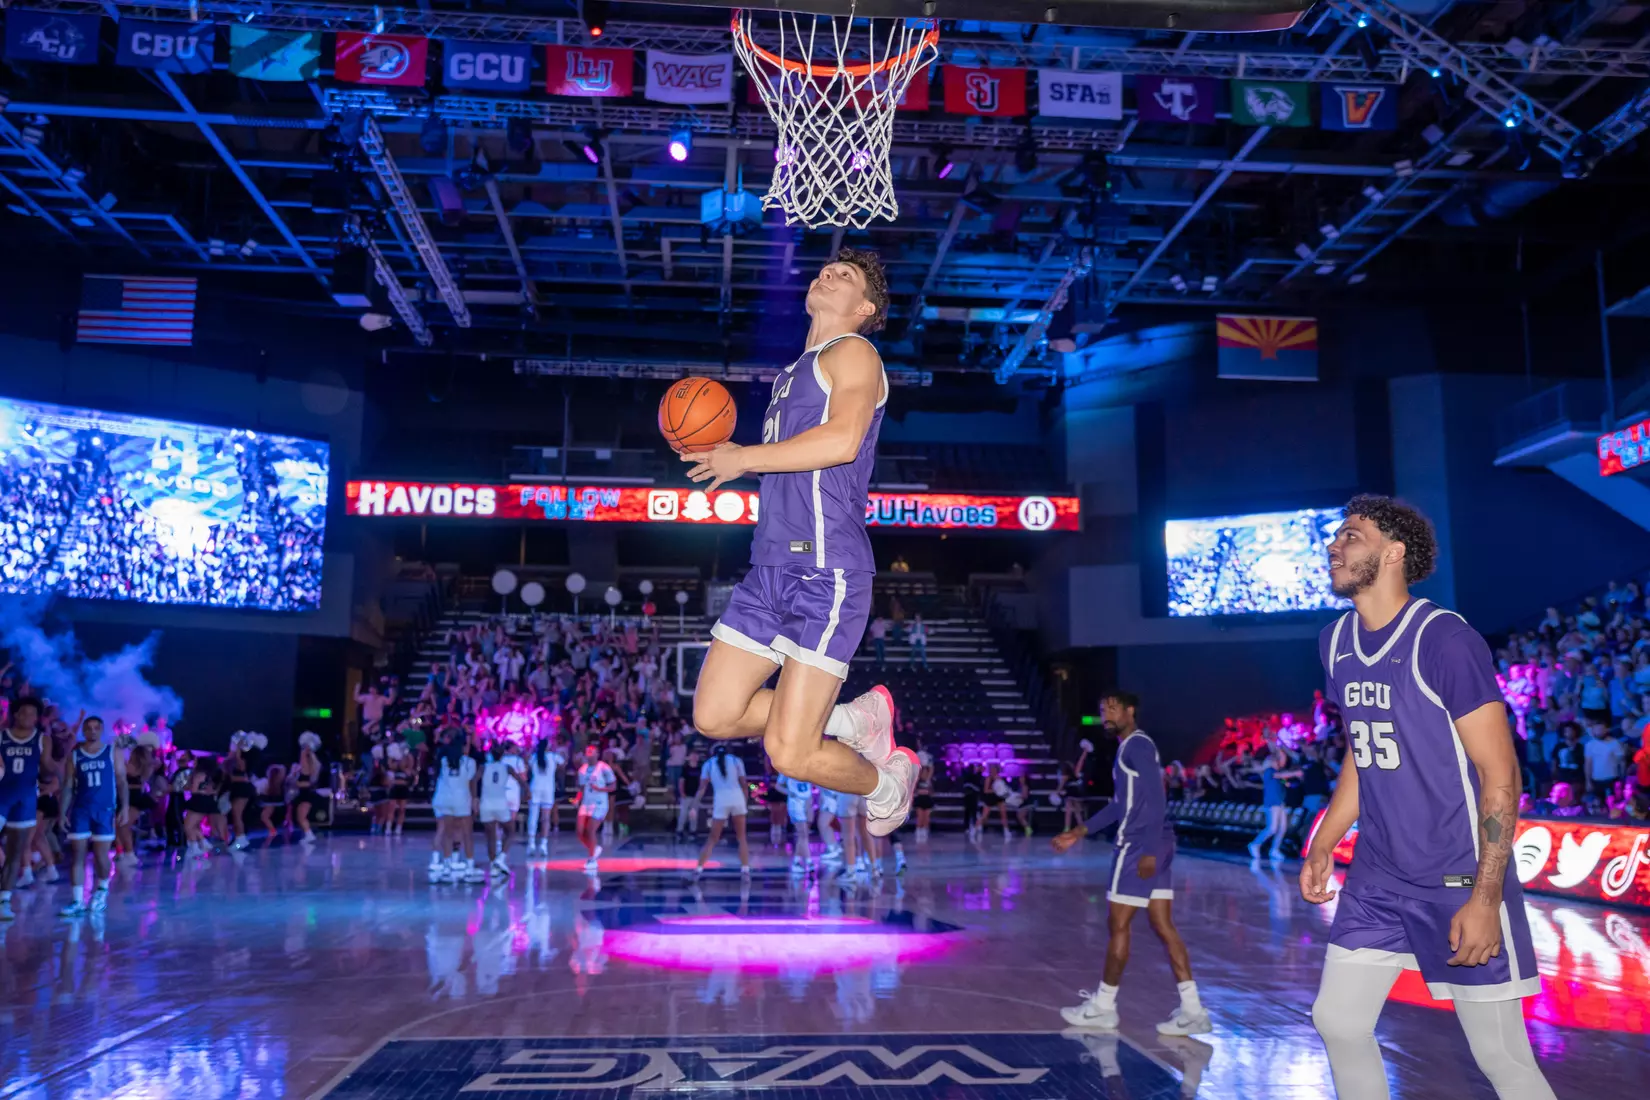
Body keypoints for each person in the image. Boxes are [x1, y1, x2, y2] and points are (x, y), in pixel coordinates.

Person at [1302, 495, 1554, 1100]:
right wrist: (1325, 841)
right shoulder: (1335, 642)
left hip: (1455, 877)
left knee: (1501, 1056)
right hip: (1377, 877)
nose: (1335, 545)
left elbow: (1499, 773)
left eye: (1352, 536)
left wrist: (1485, 897)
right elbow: (1364, 754)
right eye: (1336, 536)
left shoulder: (1443, 639)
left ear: (1393, 553)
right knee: (1337, 1021)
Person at [682, 249, 917, 839]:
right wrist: (736, 455)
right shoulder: (793, 373)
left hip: (826, 569)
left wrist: (744, 459)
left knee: (790, 752)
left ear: (865, 309)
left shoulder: (854, 352)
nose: (827, 274)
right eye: (826, 269)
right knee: (714, 715)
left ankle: (889, 784)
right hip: (767, 570)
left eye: (846, 276)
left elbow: (842, 441)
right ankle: (854, 720)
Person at [1053, 691, 1208, 1037]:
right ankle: (1193, 1010)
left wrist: (1148, 850)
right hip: (1157, 842)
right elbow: (1119, 805)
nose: (1106, 715)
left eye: (1112, 709)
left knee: (1118, 925)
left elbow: (1157, 798)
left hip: (1140, 845)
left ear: (1130, 711)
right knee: (1162, 925)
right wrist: (1078, 832)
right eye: (1102, 710)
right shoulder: (1131, 748)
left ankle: (1103, 1007)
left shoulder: (1137, 746)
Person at [58, 715, 127, 917]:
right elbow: (68, 786)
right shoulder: (75, 755)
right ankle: (77, 900)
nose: (93, 731)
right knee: (77, 855)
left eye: (96, 727)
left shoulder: (112, 752)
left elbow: (121, 781)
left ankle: (101, 892)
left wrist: (124, 807)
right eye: (89, 728)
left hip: (104, 810)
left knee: (100, 855)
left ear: (102, 730)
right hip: (81, 810)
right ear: (84, 731)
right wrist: (62, 812)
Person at [428, 732, 484, 884]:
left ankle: (447, 865)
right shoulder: (469, 762)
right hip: (461, 800)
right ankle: (469, 865)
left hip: (445, 799)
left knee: (447, 833)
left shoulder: (444, 761)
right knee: (467, 834)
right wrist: (475, 800)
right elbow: (471, 783)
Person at [695, 744, 751, 877]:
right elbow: (744, 785)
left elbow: (702, 788)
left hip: (721, 801)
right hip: (737, 799)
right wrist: (745, 802)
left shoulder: (708, 764)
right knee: (741, 837)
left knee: (713, 838)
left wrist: (694, 805)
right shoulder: (736, 761)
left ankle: (698, 869)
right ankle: (745, 870)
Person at [1247, 745, 1302, 861]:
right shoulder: (1269, 771)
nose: (1278, 762)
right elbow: (1280, 775)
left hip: (1280, 803)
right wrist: (1295, 773)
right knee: (1272, 828)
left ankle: (1274, 850)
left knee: (1282, 828)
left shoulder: (1277, 773)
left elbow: (1283, 780)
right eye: (1275, 760)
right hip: (1272, 803)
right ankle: (1255, 844)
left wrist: (1289, 784)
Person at [575, 743, 615, 874]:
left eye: (592, 751)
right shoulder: (582, 770)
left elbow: (613, 787)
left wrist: (600, 789)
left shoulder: (604, 767)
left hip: (599, 803)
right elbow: (581, 788)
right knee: (580, 832)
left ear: (597, 754)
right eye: (587, 751)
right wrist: (577, 799)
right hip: (586, 803)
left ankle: (592, 860)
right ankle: (594, 848)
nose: (589, 753)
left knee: (590, 830)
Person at [477, 743, 516, 879]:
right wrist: (526, 792)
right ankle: (501, 858)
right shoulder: (507, 768)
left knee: (490, 837)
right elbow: (522, 782)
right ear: (503, 755)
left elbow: (473, 781)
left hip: (486, 803)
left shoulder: (483, 767)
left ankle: (493, 865)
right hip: (500, 804)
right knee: (510, 832)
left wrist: (474, 797)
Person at [526, 737, 565, 857]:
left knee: (533, 817)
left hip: (535, 788)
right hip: (548, 789)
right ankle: (543, 845)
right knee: (546, 818)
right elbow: (563, 764)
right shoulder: (554, 757)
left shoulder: (534, 757)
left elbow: (528, 767)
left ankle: (531, 844)